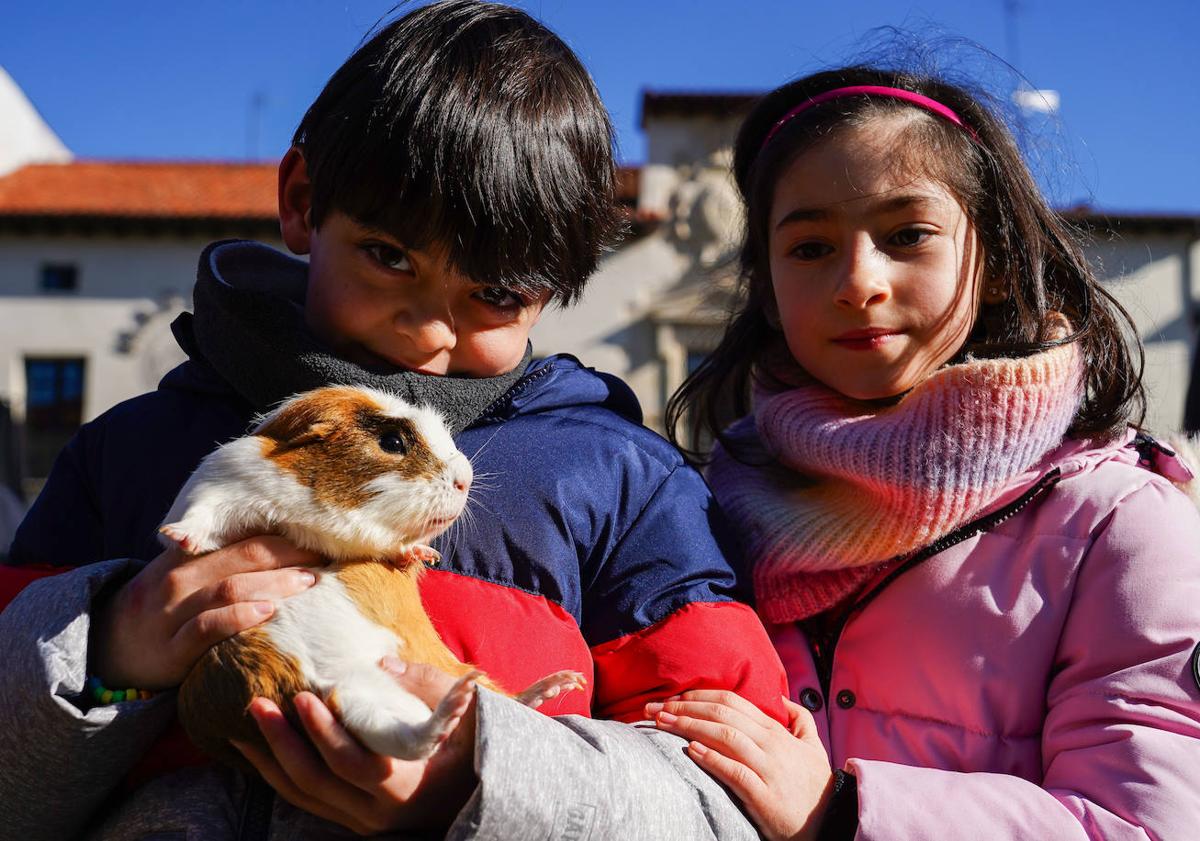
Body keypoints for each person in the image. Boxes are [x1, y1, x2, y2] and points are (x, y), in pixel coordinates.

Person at [0, 3, 789, 839]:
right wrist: (102, 656)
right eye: (388, 256)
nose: (429, 331)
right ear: (303, 201)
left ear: (552, 290)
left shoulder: (624, 483)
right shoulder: (124, 452)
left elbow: (730, 800)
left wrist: (482, 781)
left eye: (495, 294)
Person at [652, 66, 1200, 840]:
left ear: (1002, 263)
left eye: (907, 234)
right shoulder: (692, 507)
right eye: (809, 246)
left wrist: (842, 810)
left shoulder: (1120, 524)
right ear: (767, 292)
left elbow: (1143, 825)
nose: (857, 282)